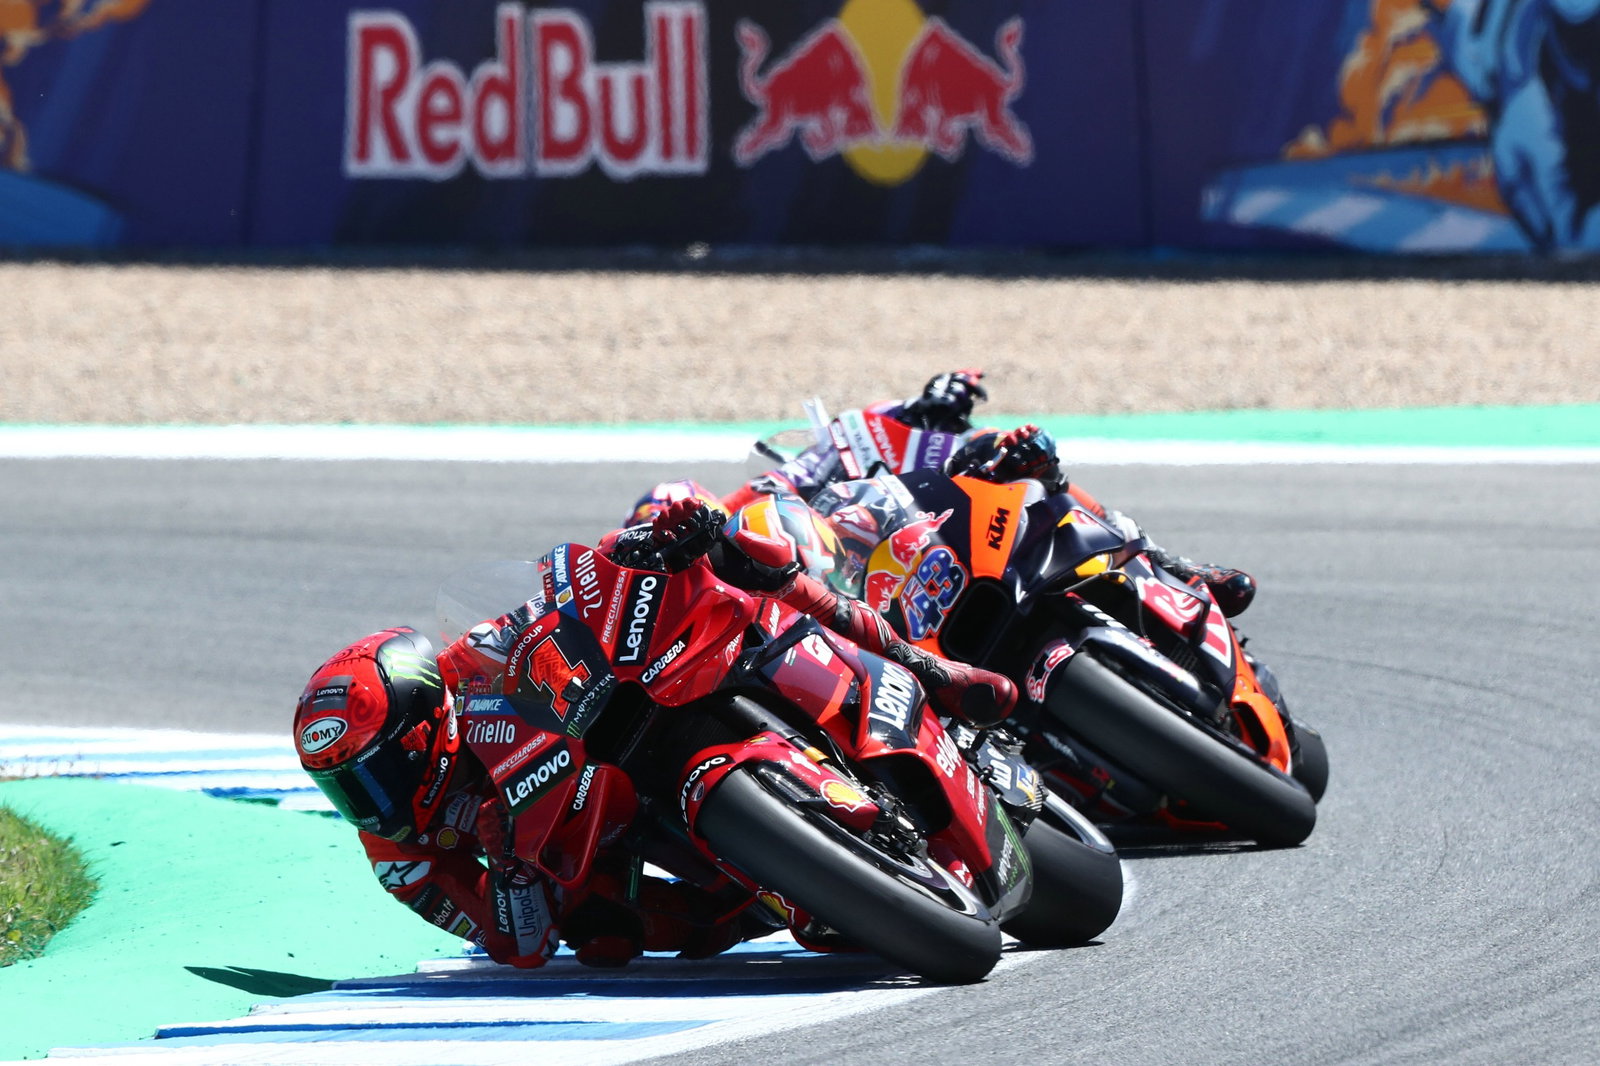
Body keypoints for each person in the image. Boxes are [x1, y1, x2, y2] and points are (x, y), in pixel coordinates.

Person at [292, 507, 1017, 972]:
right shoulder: (400, 860)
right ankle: (759, 893)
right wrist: (514, 876)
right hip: (588, 837)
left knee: (739, 553)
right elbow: (511, 943)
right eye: (345, 788)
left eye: (375, 772)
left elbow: (554, 603)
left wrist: (635, 550)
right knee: (608, 934)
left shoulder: (462, 664)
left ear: (425, 728)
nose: (367, 802)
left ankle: (930, 668)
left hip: (616, 721)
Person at [726, 369, 1257, 618]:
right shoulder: (779, 504)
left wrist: (932, 403)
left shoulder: (865, 439)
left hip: (949, 533)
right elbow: (733, 508)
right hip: (881, 596)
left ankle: (1175, 567)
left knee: (1023, 464)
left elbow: (911, 427)